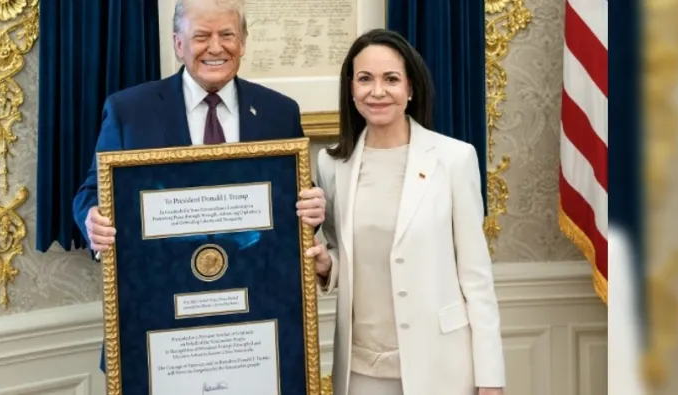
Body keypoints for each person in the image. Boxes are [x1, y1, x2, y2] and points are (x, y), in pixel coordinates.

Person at [72, 0, 327, 372]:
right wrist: (92, 219)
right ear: (178, 44)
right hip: (158, 310)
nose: (215, 47)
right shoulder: (130, 110)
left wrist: (313, 210)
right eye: (201, 36)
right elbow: (91, 193)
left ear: (242, 42)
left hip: (253, 314)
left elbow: (295, 201)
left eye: (227, 35)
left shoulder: (279, 111)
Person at [306, 29, 506, 395]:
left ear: (410, 88)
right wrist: (325, 265)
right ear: (351, 88)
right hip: (360, 370)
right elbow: (342, 253)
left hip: (442, 364)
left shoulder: (454, 159)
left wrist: (490, 379)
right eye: (365, 79)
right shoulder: (332, 164)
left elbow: (476, 277)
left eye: (391, 79)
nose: (377, 91)